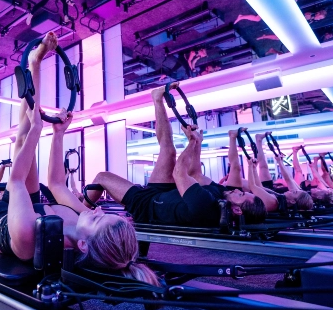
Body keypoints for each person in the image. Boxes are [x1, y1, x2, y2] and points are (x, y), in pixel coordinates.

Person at [0, 32, 159, 285]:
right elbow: (56, 184)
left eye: (99, 217)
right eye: (103, 212)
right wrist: (58, 134)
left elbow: (16, 181)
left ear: (82, 245)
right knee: (25, 135)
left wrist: (36, 131)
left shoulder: (31, 237)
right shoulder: (82, 221)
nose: (98, 208)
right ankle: (35, 63)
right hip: (28, 209)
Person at [85, 84, 267, 227]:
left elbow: (179, 173)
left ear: (237, 210)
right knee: (168, 150)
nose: (238, 190)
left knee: (102, 177)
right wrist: (198, 144)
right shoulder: (222, 196)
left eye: (241, 195)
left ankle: (78, 214)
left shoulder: (206, 207)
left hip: (148, 205)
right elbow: (195, 174)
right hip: (166, 194)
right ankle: (157, 99)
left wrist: (192, 143)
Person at [249, 133, 314, 212]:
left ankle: (258, 140)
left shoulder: (276, 202)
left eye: (295, 192)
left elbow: (254, 186)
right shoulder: (281, 198)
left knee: (262, 167)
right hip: (262, 188)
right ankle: (258, 140)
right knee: (263, 167)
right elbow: (259, 187)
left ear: (293, 201)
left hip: (255, 190)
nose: (292, 190)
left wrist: (251, 167)